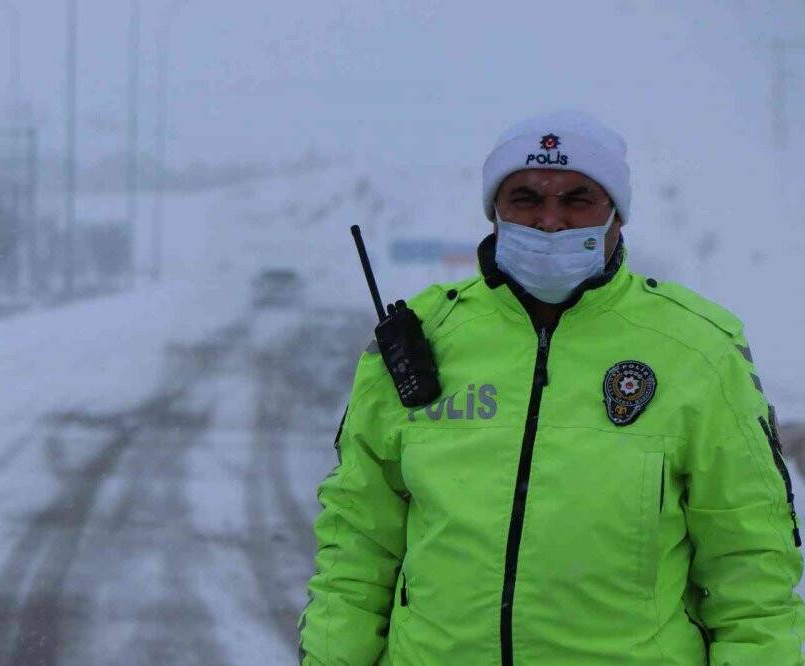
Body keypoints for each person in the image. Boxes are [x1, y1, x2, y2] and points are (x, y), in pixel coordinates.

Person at [298, 110, 805, 665]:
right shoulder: (418, 340)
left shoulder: (698, 347)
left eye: (577, 199)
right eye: (526, 199)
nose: (550, 222)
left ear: (617, 214)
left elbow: (751, 571)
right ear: (495, 211)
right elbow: (357, 547)